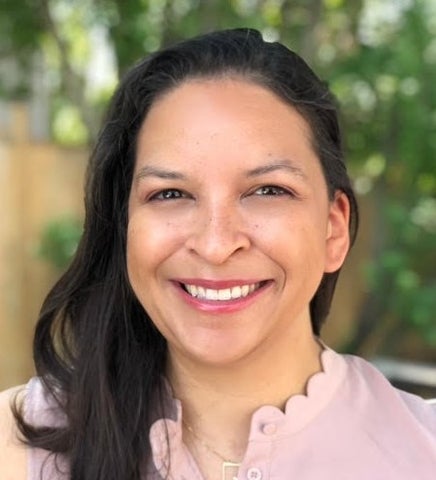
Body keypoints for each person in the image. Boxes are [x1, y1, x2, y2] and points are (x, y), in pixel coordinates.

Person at [0, 28, 435, 480]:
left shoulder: (423, 449)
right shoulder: (14, 445)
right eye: (170, 194)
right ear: (124, 226)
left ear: (333, 229)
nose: (215, 243)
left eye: (268, 190)